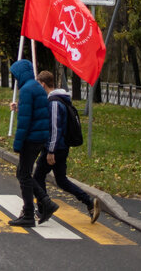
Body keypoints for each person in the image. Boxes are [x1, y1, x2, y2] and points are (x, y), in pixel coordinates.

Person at [33, 70, 100, 223]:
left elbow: (55, 129)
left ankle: (44, 208)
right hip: (61, 147)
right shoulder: (59, 99)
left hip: (55, 148)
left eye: (38, 85)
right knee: (61, 180)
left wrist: (51, 150)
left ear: (43, 84)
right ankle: (89, 203)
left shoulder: (55, 103)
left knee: (37, 177)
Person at [8, 59, 59, 226]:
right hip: (39, 137)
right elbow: (33, 111)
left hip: (31, 138)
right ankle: (43, 203)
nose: (15, 79)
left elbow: (25, 121)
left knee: (23, 174)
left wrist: (18, 143)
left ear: (21, 74)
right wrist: (19, 107)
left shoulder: (27, 89)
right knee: (23, 173)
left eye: (16, 75)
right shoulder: (36, 86)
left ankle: (31, 213)